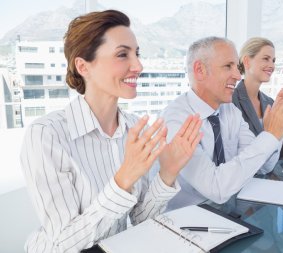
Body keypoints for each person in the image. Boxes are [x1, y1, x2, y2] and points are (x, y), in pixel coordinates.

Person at [20, 10, 202, 253]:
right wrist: (124, 178)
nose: (138, 65)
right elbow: (62, 244)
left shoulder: (134, 129)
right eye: (122, 54)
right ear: (83, 66)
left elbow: (140, 219)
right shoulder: (46, 135)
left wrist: (167, 173)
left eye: (136, 54)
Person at [160, 36, 283, 210]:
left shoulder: (230, 111)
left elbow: (264, 166)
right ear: (200, 70)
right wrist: (270, 135)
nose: (237, 75)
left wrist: (278, 133)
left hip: (227, 212)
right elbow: (216, 188)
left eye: (236, 66)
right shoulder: (176, 119)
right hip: (184, 222)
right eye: (228, 66)